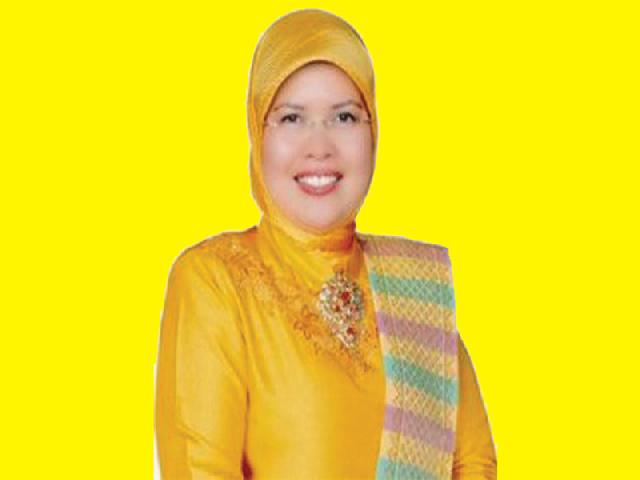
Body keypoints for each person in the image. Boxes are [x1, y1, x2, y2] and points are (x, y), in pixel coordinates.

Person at [155, 8, 497, 480]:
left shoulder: (414, 291)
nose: (319, 147)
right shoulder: (217, 280)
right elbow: (200, 468)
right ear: (257, 132)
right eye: (292, 118)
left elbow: (472, 463)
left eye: (345, 116)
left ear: (373, 132)